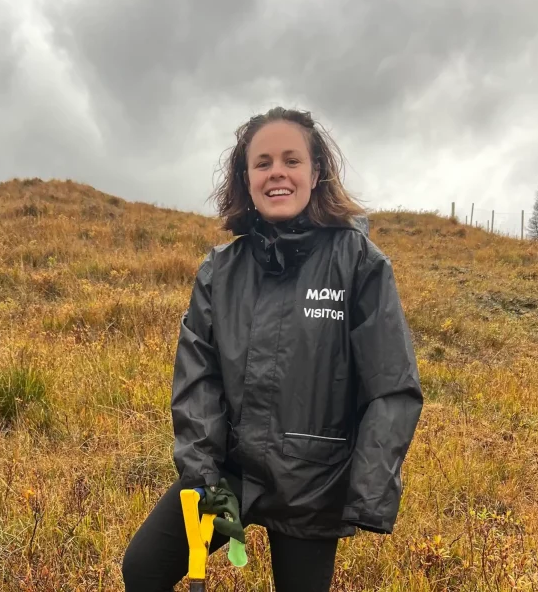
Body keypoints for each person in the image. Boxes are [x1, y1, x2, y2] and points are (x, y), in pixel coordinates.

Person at [122, 106, 424, 591]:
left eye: (291, 160)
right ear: (246, 177)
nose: (277, 172)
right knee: (143, 569)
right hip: (230, 475)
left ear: (316, 171)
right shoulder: (220, 270)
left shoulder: (359, 264)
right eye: (262, 163)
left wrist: (367, 491)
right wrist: (203, 476)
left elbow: (392, 388)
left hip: (314, 482)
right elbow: (198, 375)